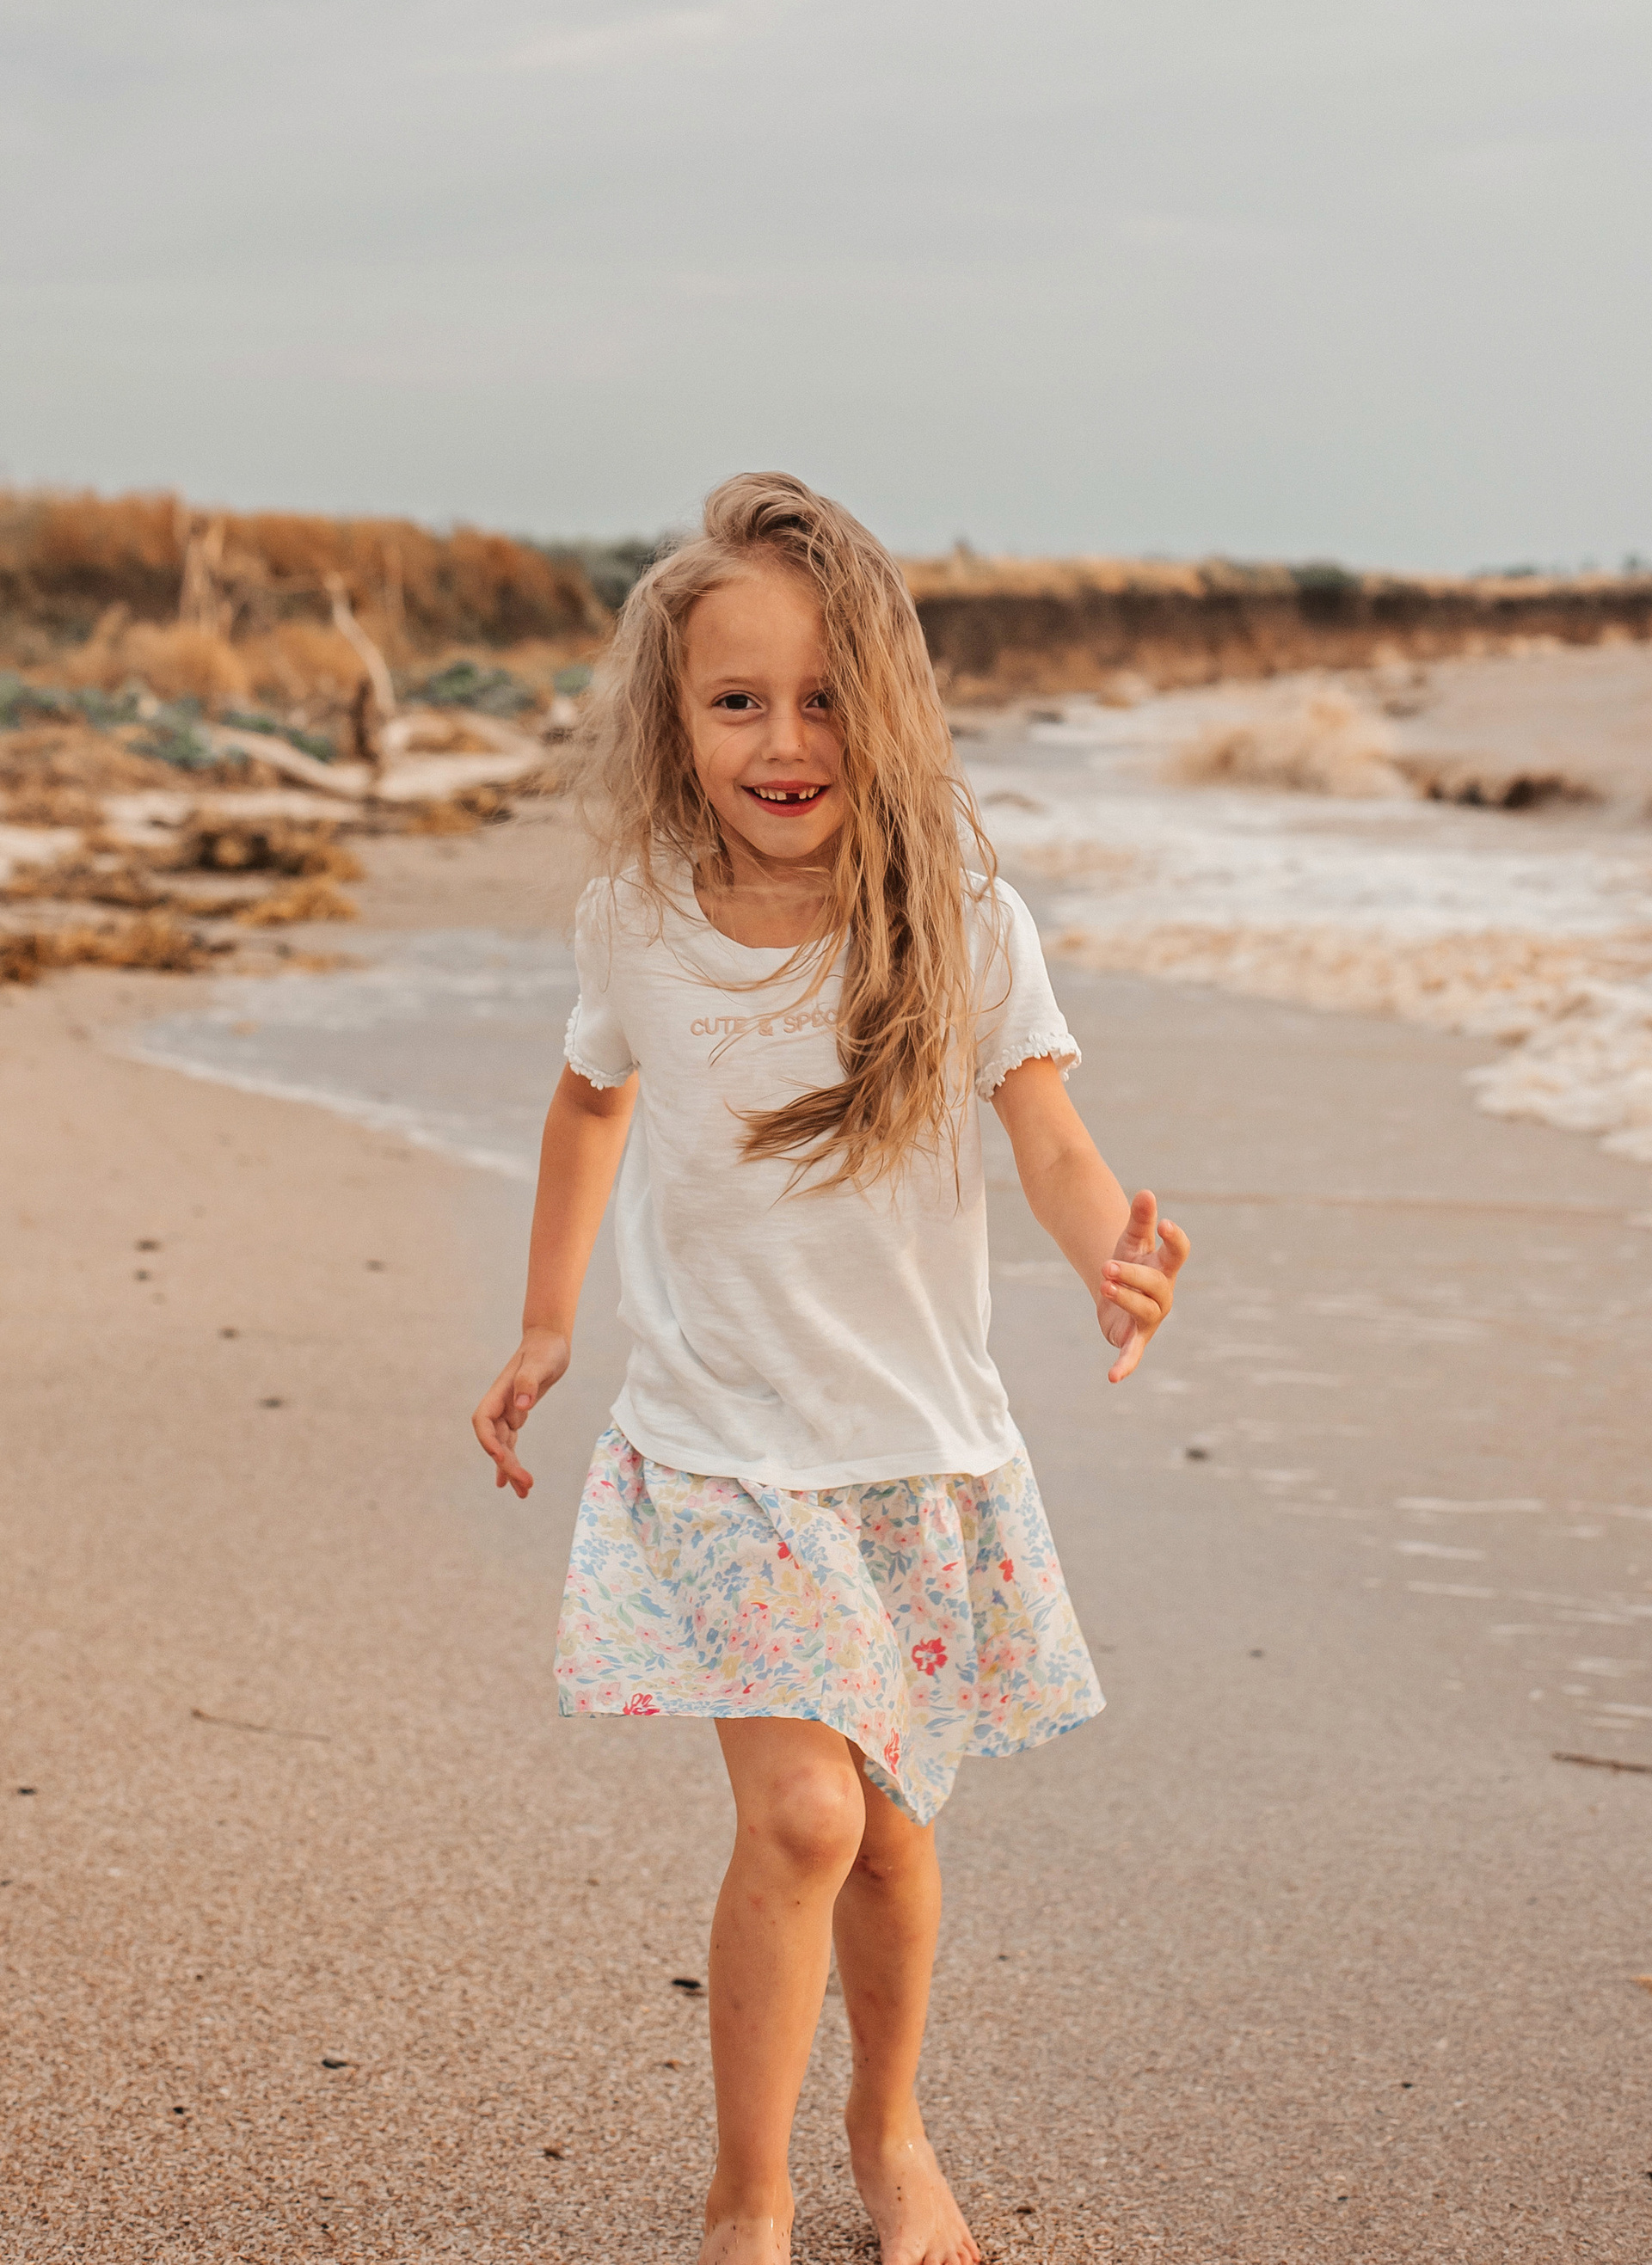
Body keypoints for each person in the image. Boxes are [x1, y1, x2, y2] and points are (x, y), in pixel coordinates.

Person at [472, 473, 1188, 2265]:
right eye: (734, 701)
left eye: (818, 698)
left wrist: (1108, 1251)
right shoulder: (634, 917)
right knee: (800, 1814)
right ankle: (748, 2194)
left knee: (888, 1833)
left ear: (881, 701)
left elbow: (1046, 1135)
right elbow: (587, 1097)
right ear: (674, 718)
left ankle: (886, 2131)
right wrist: (548, 1318)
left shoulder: (951, 914)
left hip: (913, 1455)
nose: (780, 742)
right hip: (721, 1449)